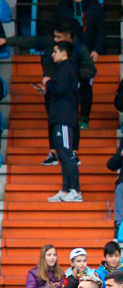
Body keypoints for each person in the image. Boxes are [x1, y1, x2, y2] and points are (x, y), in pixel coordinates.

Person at [5, 20, 94, 162]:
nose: (54, 40)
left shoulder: (79, 49)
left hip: (69, 91)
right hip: (51, 88)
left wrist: (71, 73)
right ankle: (53, 152)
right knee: (52, 119)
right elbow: (31, 41)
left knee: (72, 120)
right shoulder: (50, 43)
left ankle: (73, 152)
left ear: (67, 38)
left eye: (58, 37)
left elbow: (91, 70)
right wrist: (7, 41)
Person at [40, 41, 82, 203]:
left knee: (67, 154)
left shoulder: (66, 68)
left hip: (64, 117)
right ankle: (65, 190)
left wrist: (47, 82)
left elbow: (60, 89)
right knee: (63, 156)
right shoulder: (64, 69)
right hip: (60, 117)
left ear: (64, 53)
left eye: (55, 51)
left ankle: (76, 191)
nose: (52, 54)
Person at [55, 0, 105, 70]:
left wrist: (97, 50)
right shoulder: (62, 7)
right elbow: (55, 29)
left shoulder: (95, 7)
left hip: (89, 53)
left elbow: (101, 30)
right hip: (67, 53)